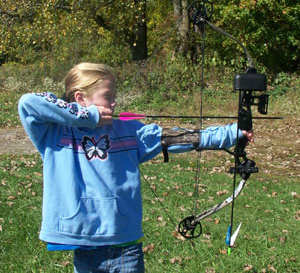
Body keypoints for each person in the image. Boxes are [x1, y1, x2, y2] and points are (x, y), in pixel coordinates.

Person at [18, 62, 253, 273]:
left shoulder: (128, 132)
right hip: (84, 245)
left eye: (114, 96)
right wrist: (87, 117)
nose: (114, 102)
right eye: (108, 96)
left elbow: (180, 138)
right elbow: (28, 102)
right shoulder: (55, 133)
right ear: (80, 99)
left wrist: (234, 133)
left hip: (125, 245)